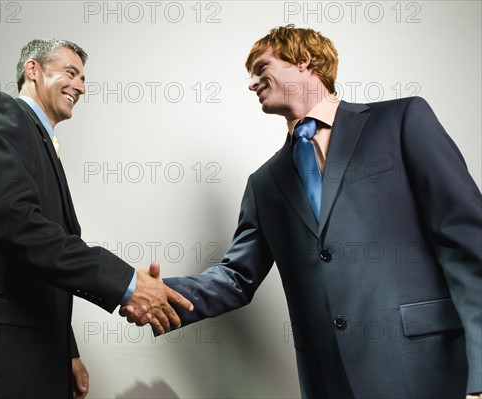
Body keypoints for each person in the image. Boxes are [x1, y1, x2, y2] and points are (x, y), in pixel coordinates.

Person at [125, 25, 482, 398]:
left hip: (428, 368)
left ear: (303, 60)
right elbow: (236, 278)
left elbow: (468, 242)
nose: (250, 84)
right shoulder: (264, 183)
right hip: (329, 381)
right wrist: (149, 292)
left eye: (260, 67)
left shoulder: (401, 120)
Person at [0, 39, 193, 399]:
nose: (80, 86)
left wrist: (68, 351)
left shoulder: (43, 145)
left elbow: (45, 263)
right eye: (71, 72)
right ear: (33, 70)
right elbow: (17, 227)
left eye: (83, 78)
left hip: (31, 357)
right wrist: (127, 283)